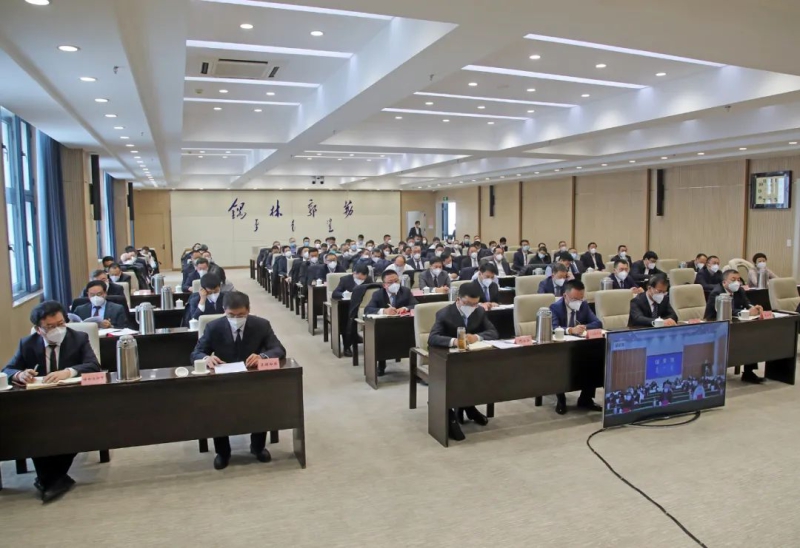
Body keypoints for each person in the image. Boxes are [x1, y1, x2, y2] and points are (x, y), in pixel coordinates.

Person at [3, 301, 101, 502]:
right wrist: (20, 374)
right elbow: (8, 370)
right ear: (39, 329)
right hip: (39, 406)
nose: (58, 329)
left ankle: (46, 481)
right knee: (34, 430)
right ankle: (55, 480)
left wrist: (68, 372)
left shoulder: (78, 338)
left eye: (61, 323)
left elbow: (93, 365)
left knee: (75, 429)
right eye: (50, 326)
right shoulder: (27, 343)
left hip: (72, 403)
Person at [190, 291, 286, 470]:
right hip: (223, 381)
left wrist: (262, 356)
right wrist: (206, 359)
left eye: (241, 315)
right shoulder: (213, 327)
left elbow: (279, 349)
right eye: (231, 315)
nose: (236, 319)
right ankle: (223, 452)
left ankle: (257, 447)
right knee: (217, 407)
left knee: (262, 402)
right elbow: (196, 352)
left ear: (248, 310)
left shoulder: (261, 325)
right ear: (224, 311)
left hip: (253, 380)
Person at [427, 283, 499, 441]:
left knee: (488, 374)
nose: (472, 307)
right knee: (457, 377)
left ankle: (467, 405)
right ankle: (456, 412)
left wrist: (477, 337)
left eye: (475, 304)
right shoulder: (444, 313)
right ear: (458, 300)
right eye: (468, 303)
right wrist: (455, 341)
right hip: (447, 360)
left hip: (471, 359)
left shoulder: (479, 311)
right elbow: (432, 338)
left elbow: (493, 332)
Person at [548, 280, 602, 414]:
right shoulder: (555, 307)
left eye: (580, 298)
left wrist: (584, 327)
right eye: (574, 299)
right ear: (565, 296)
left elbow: (597, 322)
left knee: (596, 358)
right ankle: (561, 399)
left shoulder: (583, 305)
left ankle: (586, 399)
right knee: (560, 362)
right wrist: (571, 330)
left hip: (581, 346)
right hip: (561, 347)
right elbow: (553, 328)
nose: (578, 302)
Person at [704, 270, 764, 383]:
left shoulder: (739, 290)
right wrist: (745, 312)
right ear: (724, 282)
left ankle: (748, 373)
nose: (737, 282)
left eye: (738, 279)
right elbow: (725, 311)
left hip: (734, 324)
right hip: (715, 326)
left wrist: (753, 308)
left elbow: (747, 303)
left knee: (751, 336)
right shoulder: (717, 293)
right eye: (733, 279)